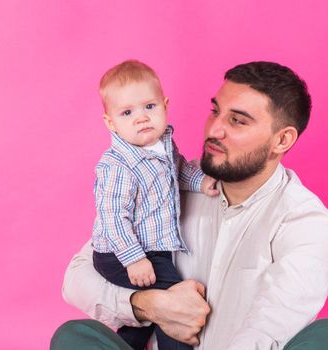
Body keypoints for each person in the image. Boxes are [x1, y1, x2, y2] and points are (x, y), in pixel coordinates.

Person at [52, 61, 328, 350]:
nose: (214, 129)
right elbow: (78, 276)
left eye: (237, 120)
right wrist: (148, 304)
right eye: (215, 111)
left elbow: (269, 329)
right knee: (75, 336)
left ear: (282, 141)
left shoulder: (305, 221)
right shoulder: (169, 182)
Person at [90, 60, 218, 350]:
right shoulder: (118, 166)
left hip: (154, 248)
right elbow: (113, 217)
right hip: (119, 252)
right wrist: (134, 258)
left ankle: (123, 344)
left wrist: (201, 182)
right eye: (127, 112)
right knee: (174, 302)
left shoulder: (163, 145)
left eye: (149, 107)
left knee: (147, 312)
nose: (141, 118)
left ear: (165, 105)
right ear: (111, 122)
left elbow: (180, 169)